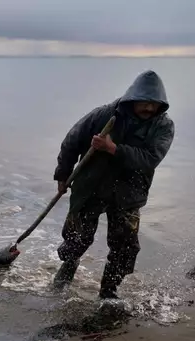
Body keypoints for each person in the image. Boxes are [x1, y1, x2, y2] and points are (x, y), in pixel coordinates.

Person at [51, 70, 174, 299]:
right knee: (77, 238)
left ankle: (109, 292)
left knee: (125, 248)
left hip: (129, 192)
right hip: (91, 186)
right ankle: (68, 266)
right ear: (133, 99)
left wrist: (112, 148)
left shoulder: (163, 127)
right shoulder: (102, 115)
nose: (149, 108)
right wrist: (62, 175)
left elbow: (150, 160)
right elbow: (72, 141)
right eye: (144, 103)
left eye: (154, 104)